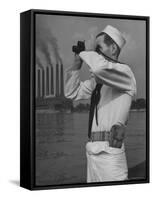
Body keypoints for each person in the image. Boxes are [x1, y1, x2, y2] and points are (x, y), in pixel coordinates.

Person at [64, 25, 137, 182]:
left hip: (110, 155)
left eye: (98, 48)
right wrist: (77, 64)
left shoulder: (125, 73)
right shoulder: (97, 83)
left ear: (112, 48)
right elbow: (71, 93)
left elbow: (98, 69)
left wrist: (85, 52)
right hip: (92, 153)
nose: (95, 52)